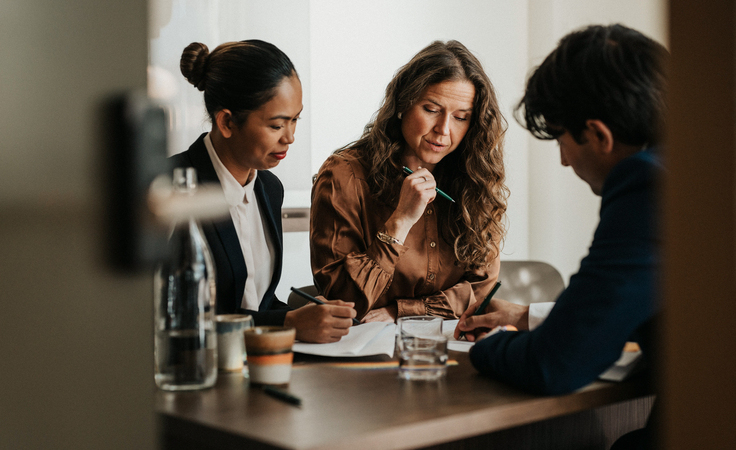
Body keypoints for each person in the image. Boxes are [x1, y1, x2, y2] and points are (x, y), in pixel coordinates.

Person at [456, 24, 667, 448]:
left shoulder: (644, 184)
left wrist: (481, 351)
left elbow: (556, 364)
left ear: (599, 135)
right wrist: (529, 317)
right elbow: (637, 303)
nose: (565, 161)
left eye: (561, 140)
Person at [310, 40, 508, 323]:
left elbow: (481, 288)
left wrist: (400, 312)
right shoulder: (345, 175)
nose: (443, 130)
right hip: (363, 346)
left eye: (461, 117)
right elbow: (342, 298)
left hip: (447, 342)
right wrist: (400, 221)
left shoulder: (475, 178)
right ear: (403, 104)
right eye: (431, 109)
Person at [172, 40, 356, 343]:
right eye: (277, 125)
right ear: (227, 121)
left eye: (295, 119)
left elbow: (258, 304)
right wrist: (288, 322)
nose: (291, 137)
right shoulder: (174, 187)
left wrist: (312, 316)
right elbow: (178, 318)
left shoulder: (270, 188)